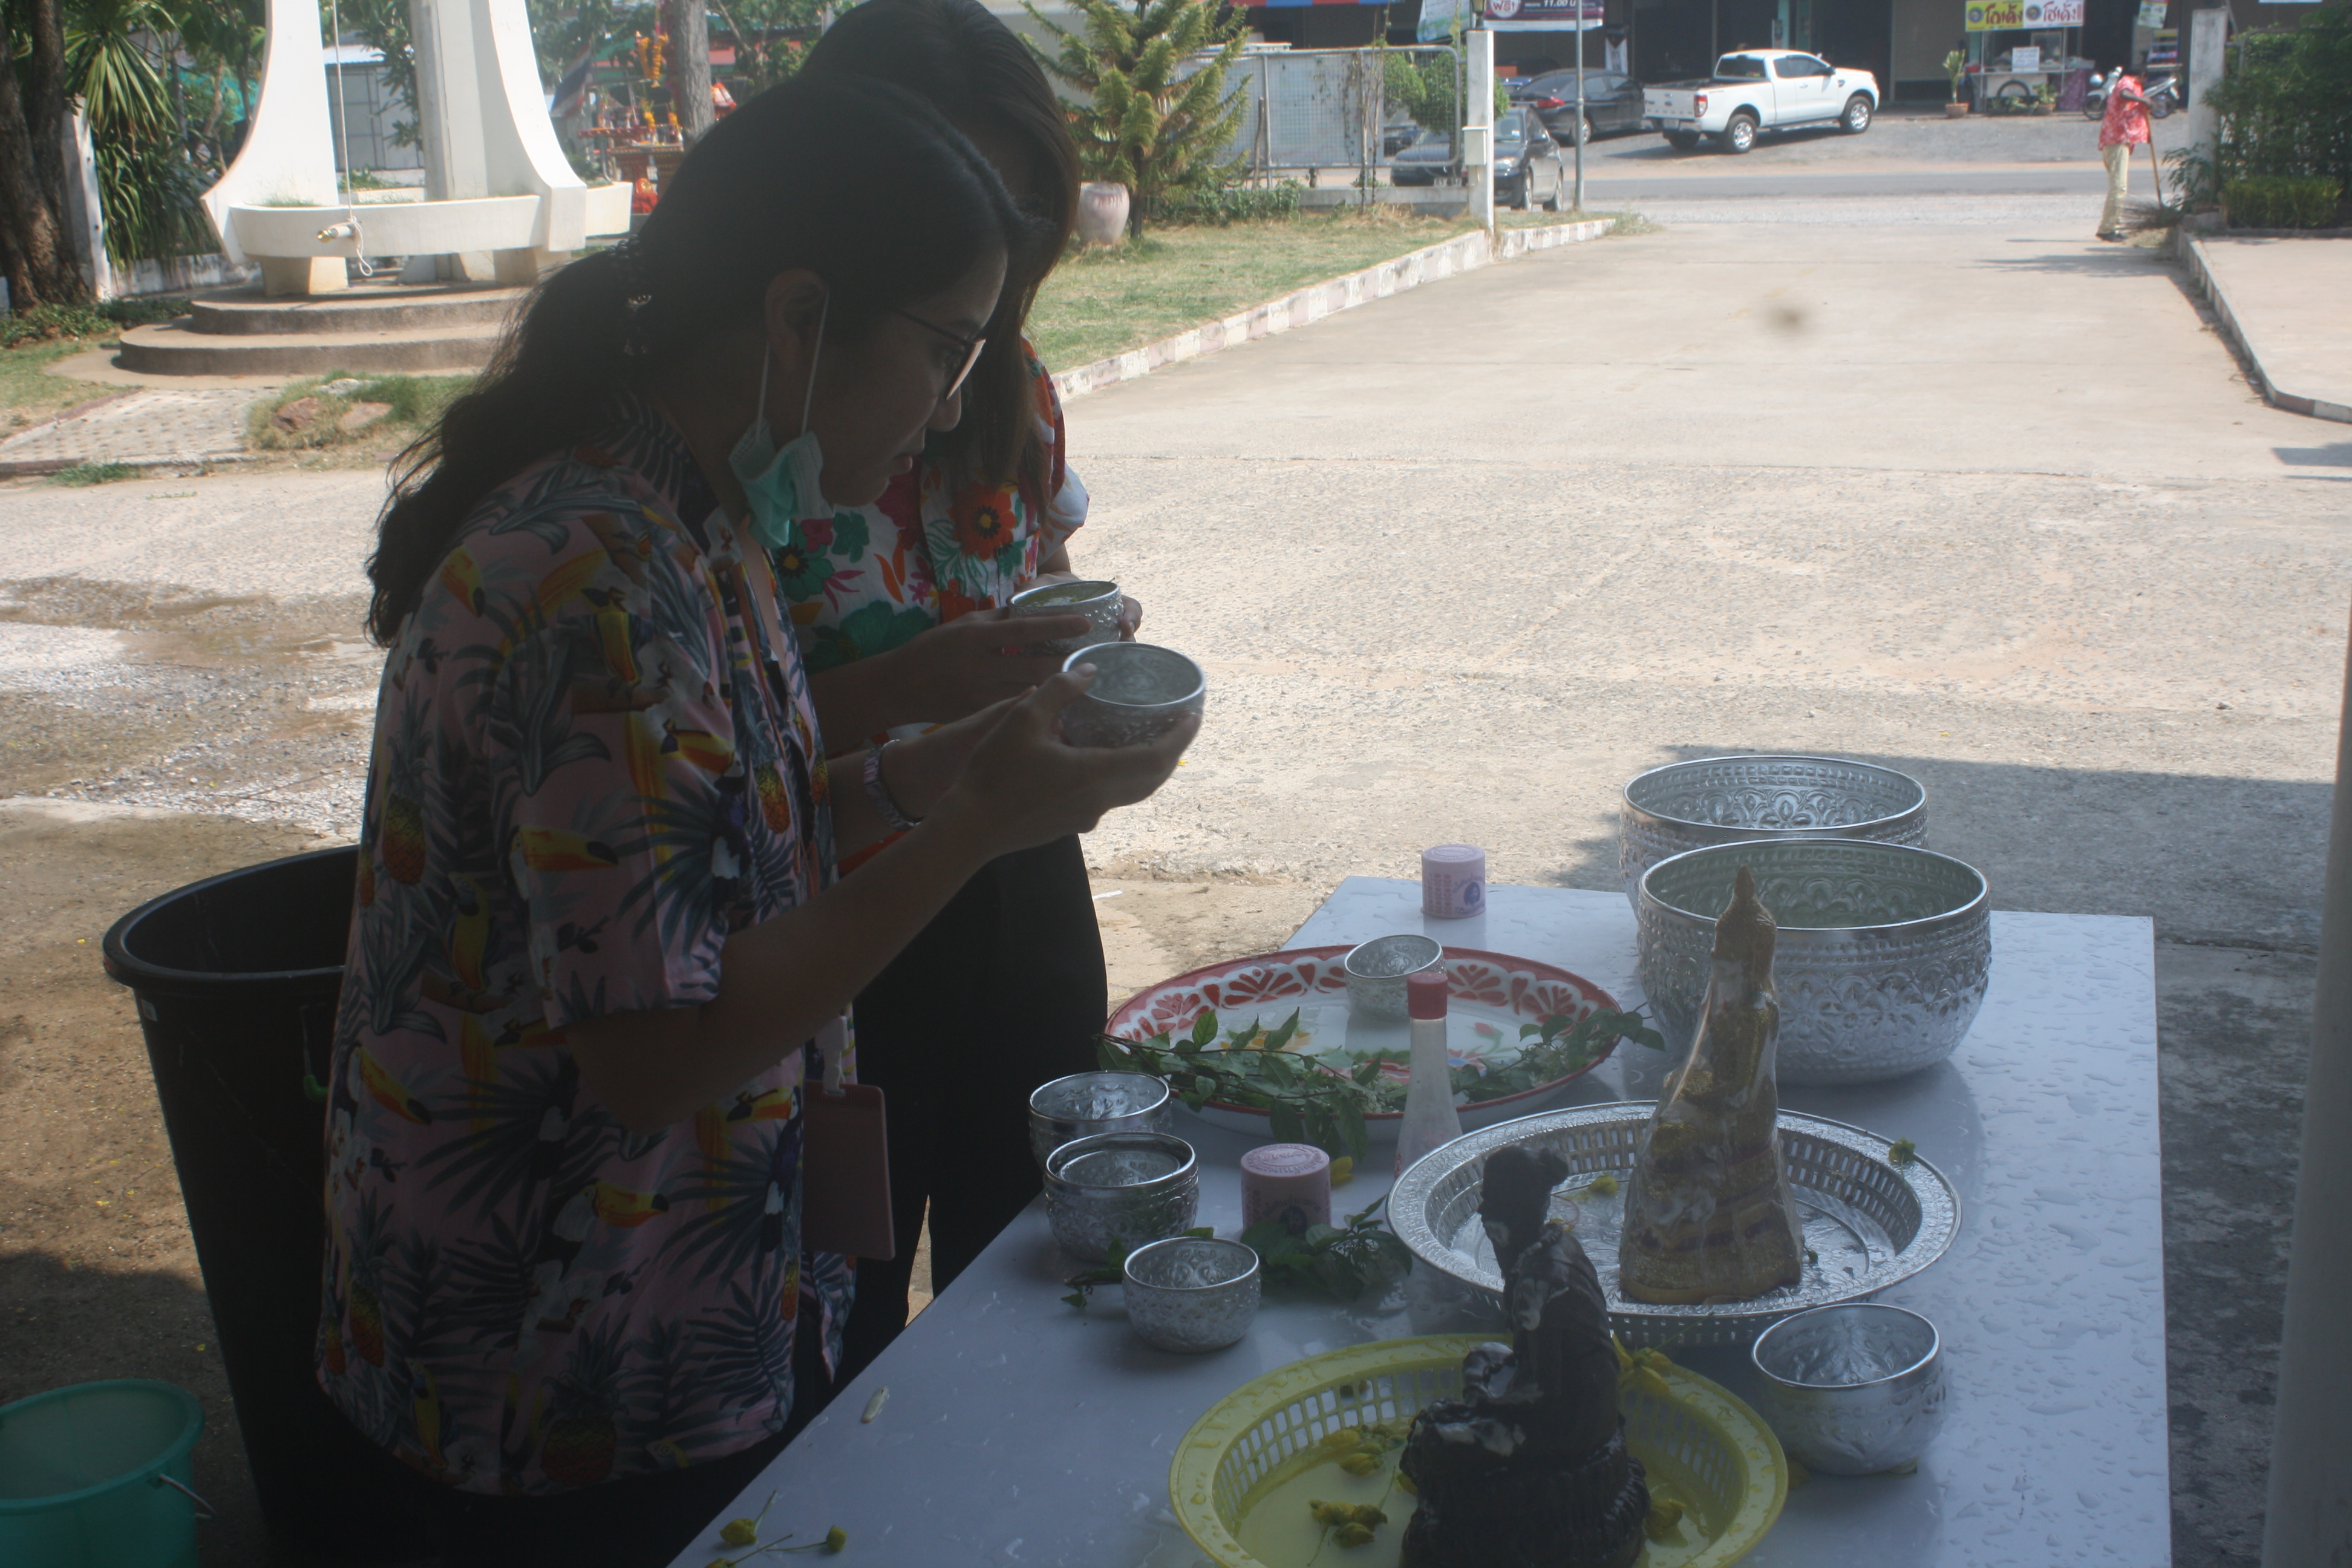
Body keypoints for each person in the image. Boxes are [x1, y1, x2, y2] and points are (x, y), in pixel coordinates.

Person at [318, 75, 1193, 1568]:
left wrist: (945, 762)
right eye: (946, 348)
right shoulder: (599, 576)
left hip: (677, 1306)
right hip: (558, 1372)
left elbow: (730, 838)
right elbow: (656, 1046)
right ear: (798, 317)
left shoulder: (695, 511)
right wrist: (978, 824)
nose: (950, 406)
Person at [786, 0, 1135, 1384]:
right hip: (833, 913)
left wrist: (1085, 656)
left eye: (1017, 211)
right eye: (956, 189)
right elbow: (719, 746)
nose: (986, 237)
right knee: (842, 1315)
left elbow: (1041, 572)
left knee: (1048, 1265)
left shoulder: (1010, 389)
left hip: (1017, 880)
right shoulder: (759, 433)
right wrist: (917, 690)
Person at [2096, 65, 2152, 241]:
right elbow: (2123, 94)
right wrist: (2143, 100)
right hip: (2117, 141)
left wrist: (2145, 133)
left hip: (2121, 141)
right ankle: (2107, 229)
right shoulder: (2126, 82)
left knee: (2119, 186)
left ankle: (2114, 226)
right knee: (2119, 187)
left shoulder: (2134, 86)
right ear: (2142, 75)